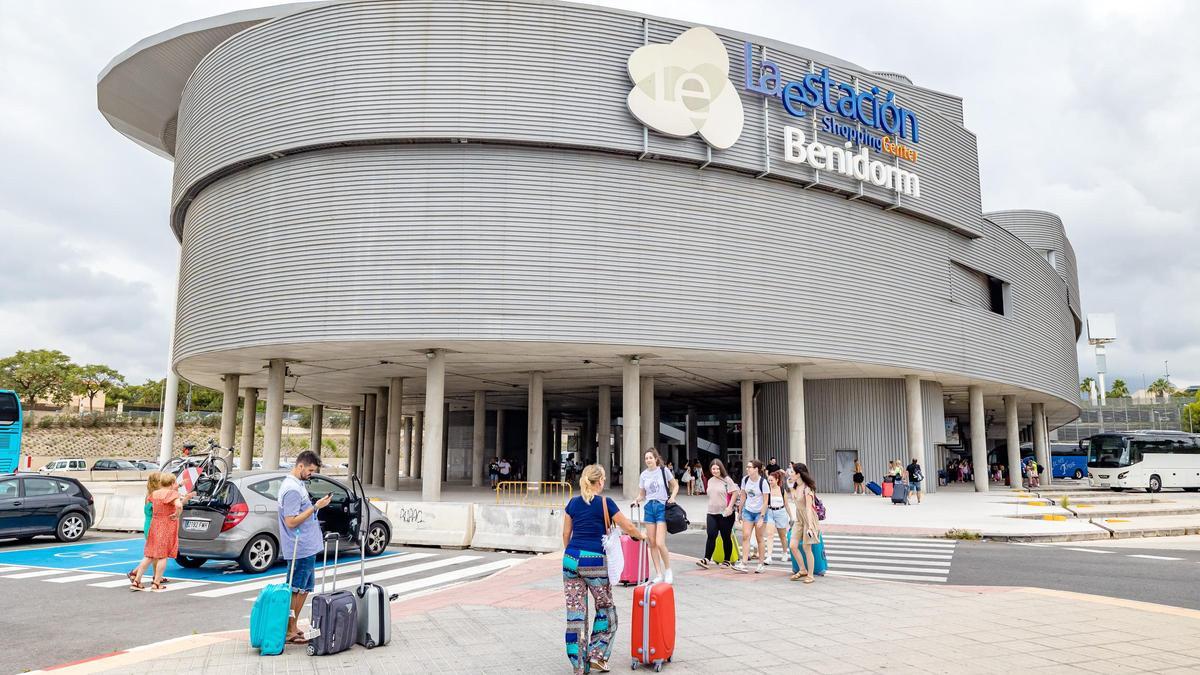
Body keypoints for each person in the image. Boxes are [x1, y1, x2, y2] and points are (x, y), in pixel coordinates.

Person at [562, 465, 644, 675]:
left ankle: (579, 665)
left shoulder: (572, 503)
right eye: (604, 479)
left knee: (576, 613)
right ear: (599, 482)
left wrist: (573, 557)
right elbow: (628, 526)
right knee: (606, 609)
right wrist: (641, 536)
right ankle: (597, 656)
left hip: (571, 559)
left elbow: (566, 534)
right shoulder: (605, 503)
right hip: (594, 562)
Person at [278, 450, 333, 645]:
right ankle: (288, 630)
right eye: (310, 470)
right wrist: (315, 507)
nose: (311, 473)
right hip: (298, 547)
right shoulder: (292, 489)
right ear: (300, 466)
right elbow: (291, 521)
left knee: (304, 588)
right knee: (296, 588)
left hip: (306, 546)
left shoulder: (298, 484)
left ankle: (292, 627)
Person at [129, 472, 185, 591]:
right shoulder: (172, 494)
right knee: (162, 556)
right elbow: (178, 505)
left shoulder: (154, 494)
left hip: (154, 525)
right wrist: (177, 513)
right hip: (166, 526)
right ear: (171, 483)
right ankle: (156, 583)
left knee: (149, 554)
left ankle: (136, 581)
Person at [634, 448, 678, 584]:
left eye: (650, 458)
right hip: (649, 508)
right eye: (646, 458)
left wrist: (673, 497)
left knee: (660, 542)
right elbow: (642, 494)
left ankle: (668, 570)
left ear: (656, 459)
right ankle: (658, 573)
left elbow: (675, 486)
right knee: (651, 543)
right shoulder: (643, 475)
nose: (648, 460)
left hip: (661, 507)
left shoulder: (664, 471)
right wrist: (636, 500)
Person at [695, 459, 738, 569]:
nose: (715, 470)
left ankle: (727, 560)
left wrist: (729, 507)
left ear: (721, 468)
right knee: (711, 535)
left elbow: (735, 493)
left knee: (725, 537)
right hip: (711, 512)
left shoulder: (727, 480)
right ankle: (706, 559)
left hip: (725, 513)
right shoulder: (710, 481)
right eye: (713, 469)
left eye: (717, 468)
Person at [732, 459, 769, 574]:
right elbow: (743, 496)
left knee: (759, 538)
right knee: (745, 536)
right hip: (748, 511)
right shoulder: (745, 479)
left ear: (756, 469)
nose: (747, 469)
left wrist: (762, 517)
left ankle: (761, 564)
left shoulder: (763, 482)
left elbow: (766, 501)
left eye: (749, 467)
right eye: (747, 467)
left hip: (760, 512)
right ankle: (743, 563)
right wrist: (740, 511)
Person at [788, 462, 821, 583]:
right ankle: (802, 569)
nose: (790, 474)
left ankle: (810, 575)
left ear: (798, 474)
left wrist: (811, 526)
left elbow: (808, 508)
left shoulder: (807, 489)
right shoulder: (796, 486)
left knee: (807, 547)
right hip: (799, 518)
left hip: (809, 518)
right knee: (793, 545)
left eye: (792, 472)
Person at [763, 470, 792, 564]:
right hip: (770, 512)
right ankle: (769, 556)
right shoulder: (767, 490)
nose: (770, 482)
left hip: (781, 513)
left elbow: (787, 505)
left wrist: (791, 517)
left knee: (782, 535)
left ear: (777, 480)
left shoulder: (782, 490)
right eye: (769, 480)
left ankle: (785, 553)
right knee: (769, 534)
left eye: (771, 480)